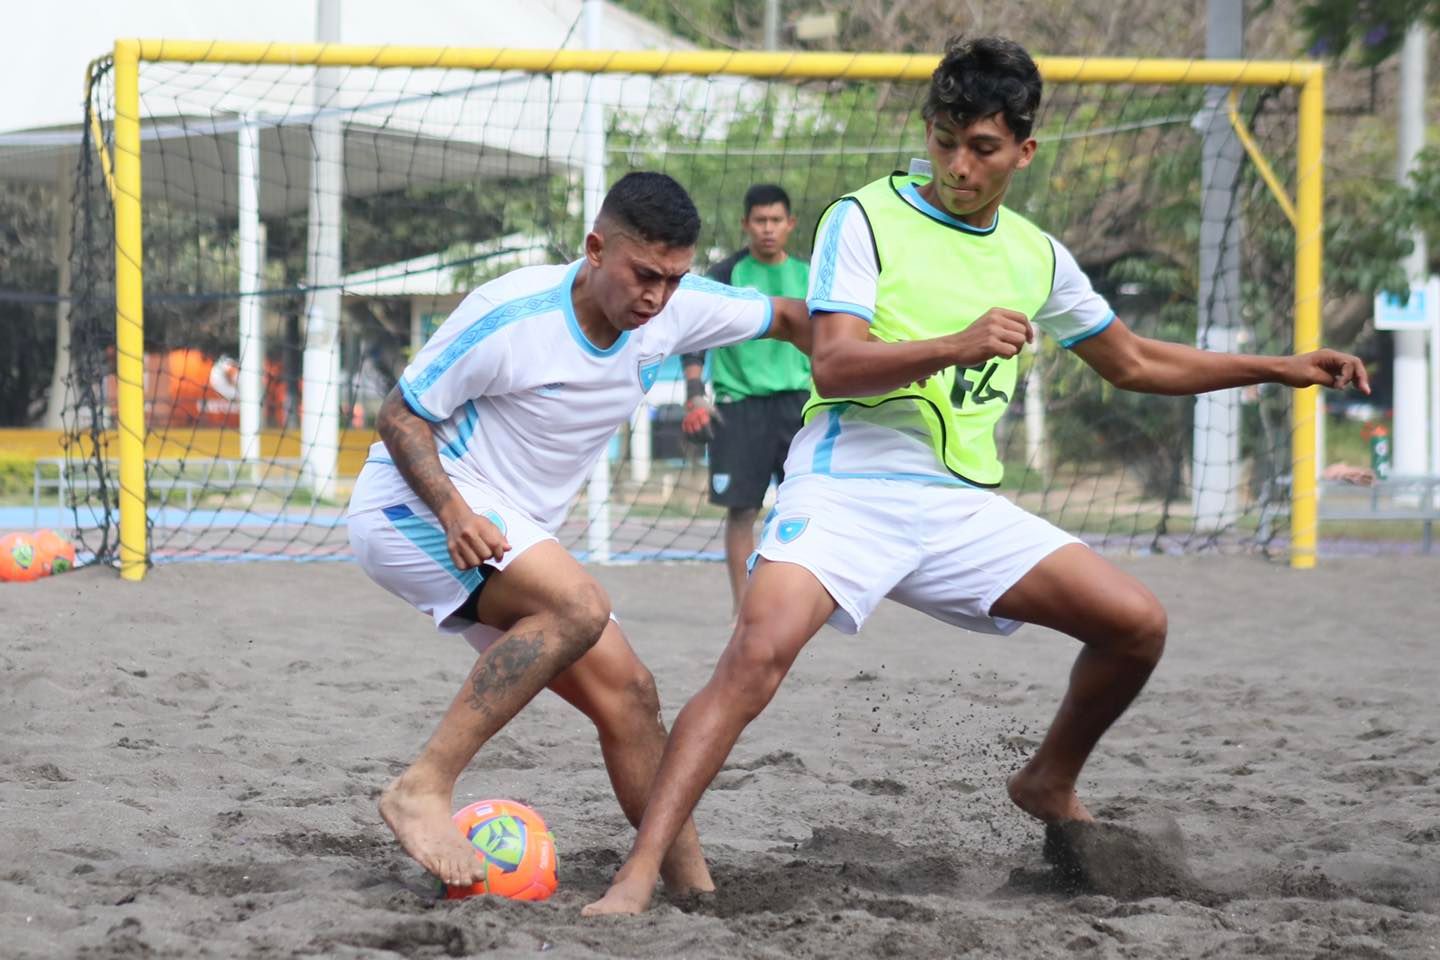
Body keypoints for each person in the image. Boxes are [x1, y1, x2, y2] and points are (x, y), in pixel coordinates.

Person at [583, 35, 1369, 916]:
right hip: (847, 482)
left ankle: (1045, 781)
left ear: (1023, 152)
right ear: (928, 131)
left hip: (957, 504)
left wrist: (1279, 366)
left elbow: (1137, 361)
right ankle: (640, 872)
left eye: (983, 148)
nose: (959, 165)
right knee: (755, 656)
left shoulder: (1036, 255)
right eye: (945, 140)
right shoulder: (865, 217)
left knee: (1136, 626)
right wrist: (956, 344)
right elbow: (837, 367)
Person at [344, 171, 811, 892]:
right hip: (411, 509)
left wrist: (890, 360)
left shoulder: (674, 311)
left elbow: (789, 315)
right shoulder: (512, 315)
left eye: (674, 279)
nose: (656, 296)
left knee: (631, 696)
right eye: (644, 275)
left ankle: (694, 891)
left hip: (515, 529)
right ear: (596, 249)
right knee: (580, 607)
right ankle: (422, 788)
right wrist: (453, 512)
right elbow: (400, 415)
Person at [679, 184, 812, 614]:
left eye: (776, 220)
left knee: (806, 509)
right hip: (739, 408)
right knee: (741, 511)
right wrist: (696, 394)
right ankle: (745, 609)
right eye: (760, 221)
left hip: (800, 407)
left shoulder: (811, 275)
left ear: (790, 224)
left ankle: (797, 604)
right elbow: (695, 336)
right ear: (746, 224)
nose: (768, 229)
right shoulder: (725, 274)